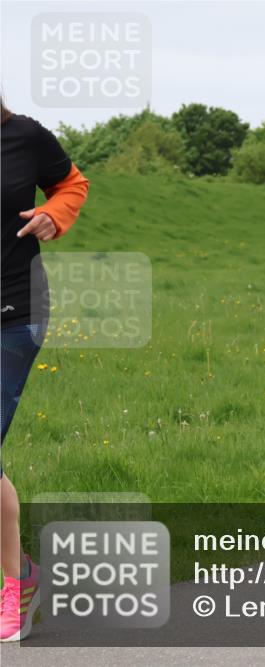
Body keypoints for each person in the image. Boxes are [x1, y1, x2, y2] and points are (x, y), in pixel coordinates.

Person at [1, 100, 90, 642]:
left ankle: (16, 587)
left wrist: (54, 215)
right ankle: (22, 577)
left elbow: (72, 184)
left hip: (14, 316)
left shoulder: (25, 136)